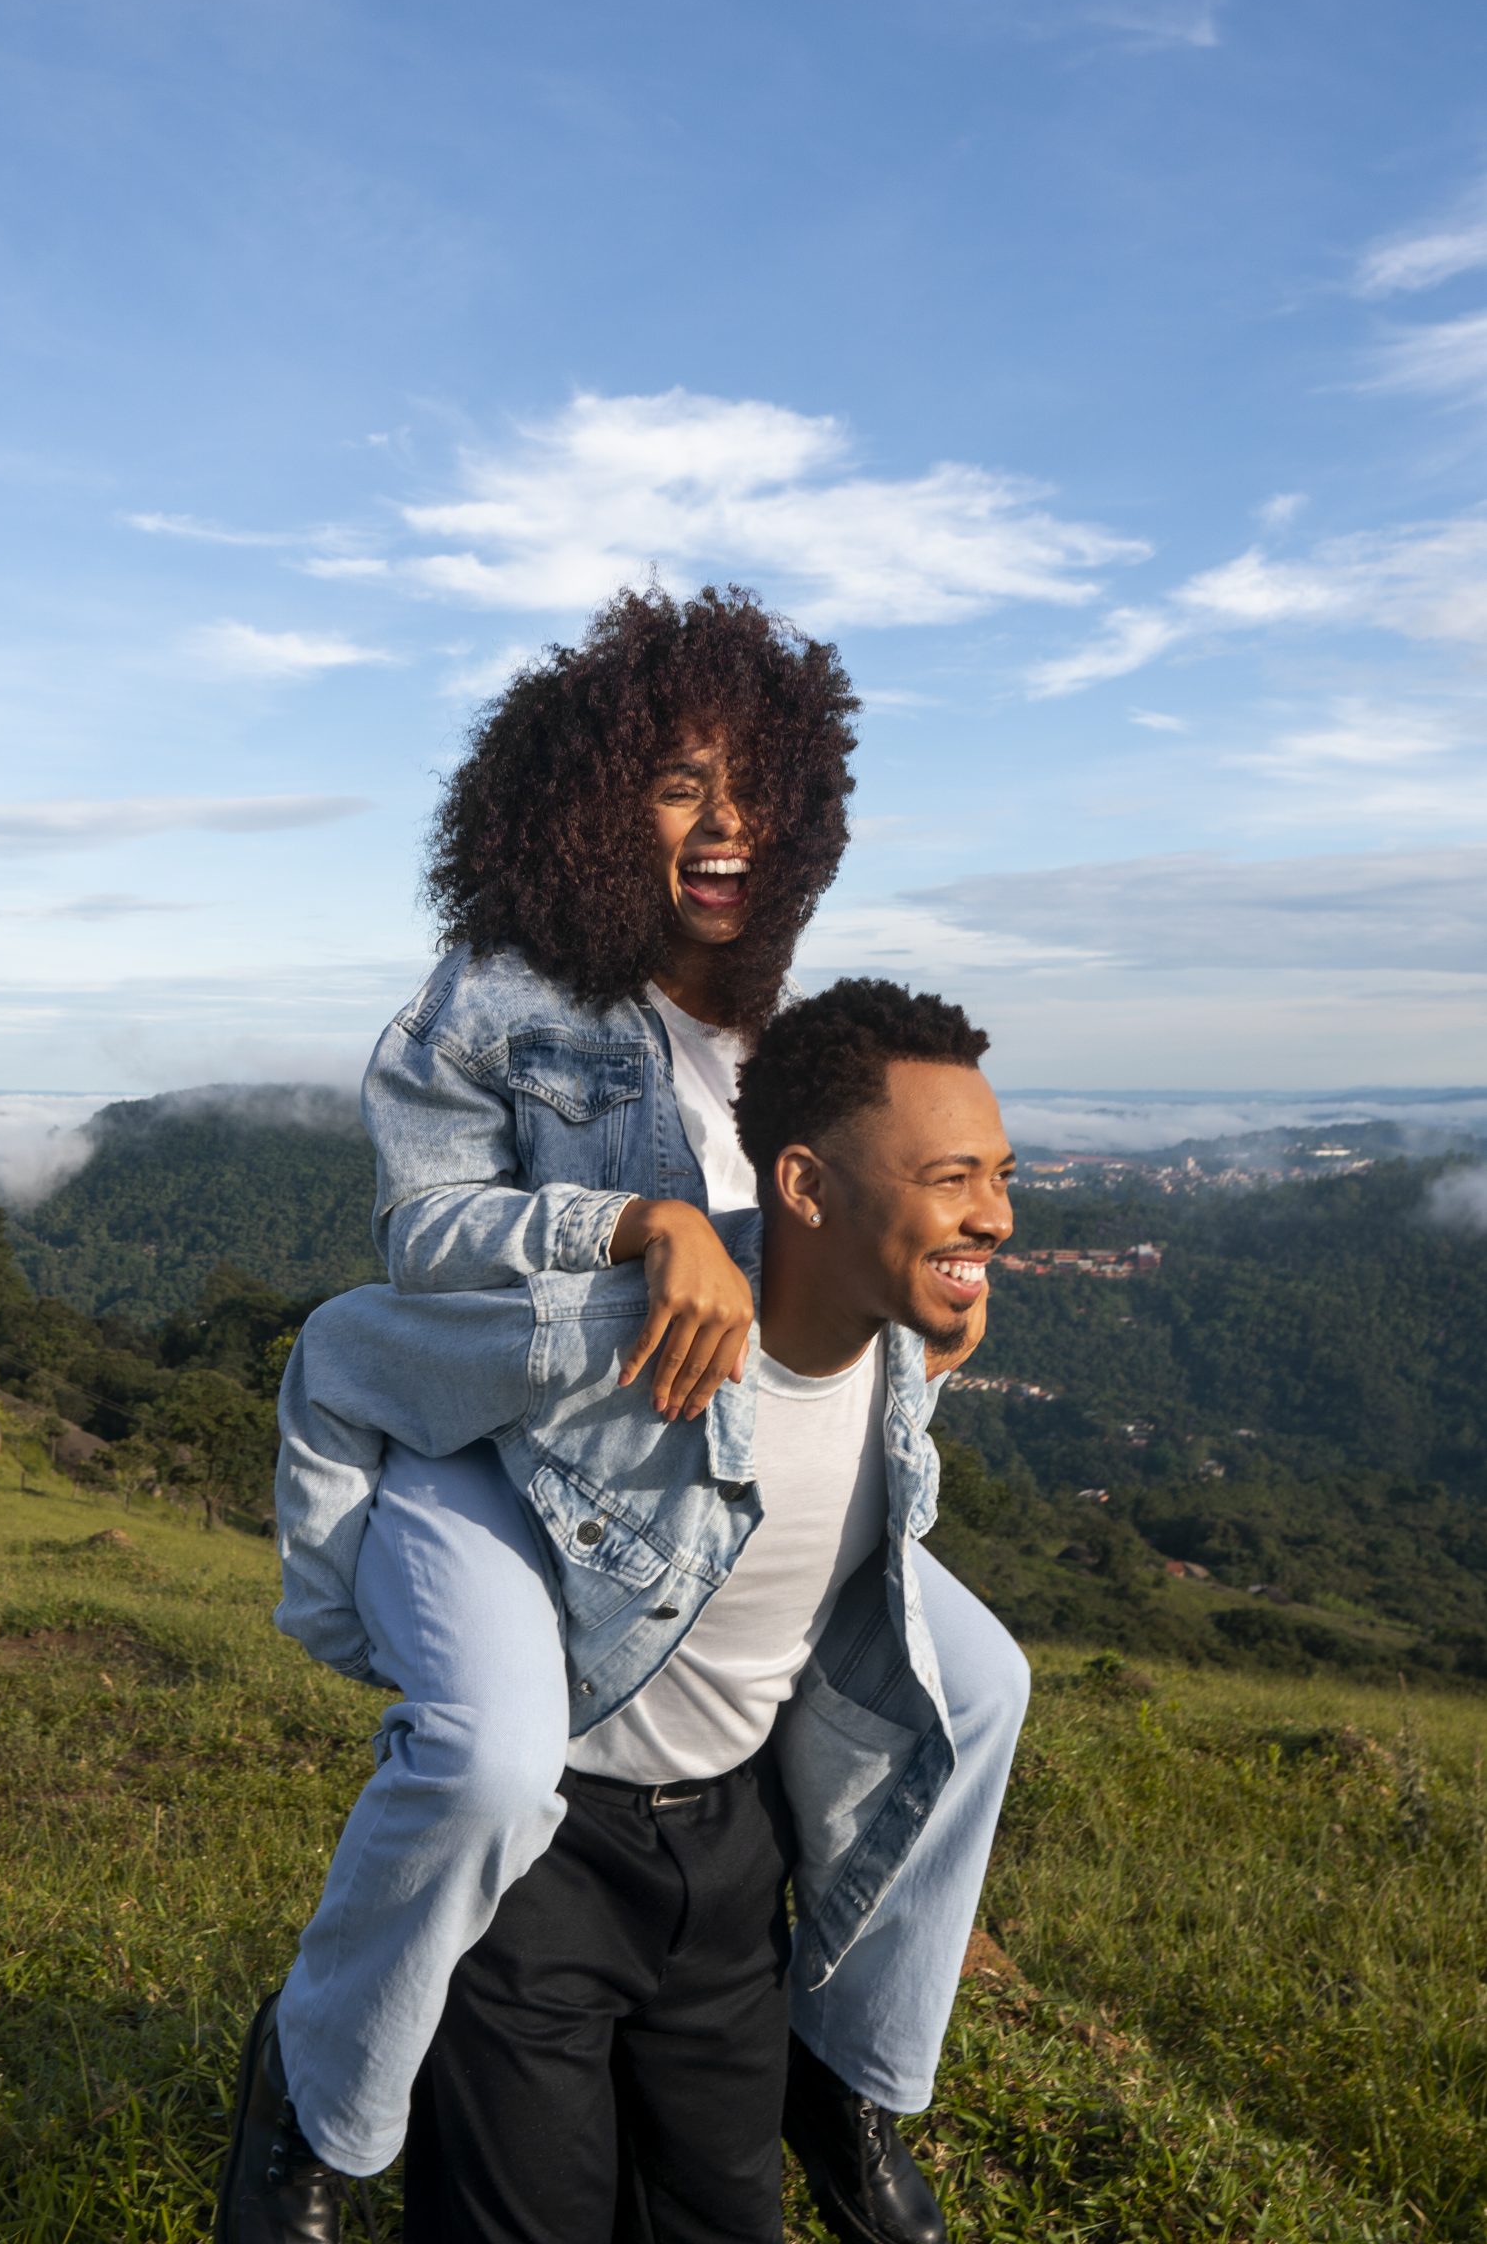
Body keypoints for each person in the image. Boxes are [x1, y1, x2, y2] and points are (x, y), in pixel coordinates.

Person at [216, 591, 1030, 2242]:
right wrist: (630, 1224)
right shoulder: (506, 996)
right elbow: (422, 1242)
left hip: (709, 1478)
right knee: (499, 1761)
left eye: (757, 789)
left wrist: (930, 1312)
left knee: (985, 1688)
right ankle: (311, 2098)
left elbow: (839, 1255)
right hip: (514, 1450)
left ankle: (843, 2068)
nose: (728, 825)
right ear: (588, 805)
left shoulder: (783, 1030)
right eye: (678, 784)